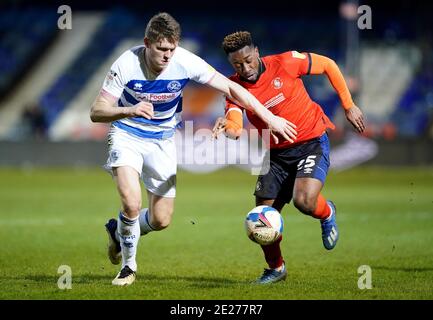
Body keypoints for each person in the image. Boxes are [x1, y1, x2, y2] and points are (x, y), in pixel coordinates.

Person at [90, 13, 297, 286]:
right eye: (161, 49)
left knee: (161, 219)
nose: (167, 56)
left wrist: (269, 118)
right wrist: (130, 110)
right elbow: (97, 112)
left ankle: (119, 232)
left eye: (171, 49)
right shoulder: (126, 64)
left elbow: (233, 89)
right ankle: (129, 267)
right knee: (131, 202)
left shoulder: (185, 61)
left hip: (163, 140)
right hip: (126, 135)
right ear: (147, 43)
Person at [212, 31, 365, 284]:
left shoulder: (285, 63)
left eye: (248, 60)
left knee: (305, 202)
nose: (245, 67)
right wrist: (227, 126)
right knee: (261, 217)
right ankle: (276, 268)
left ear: (257, 52)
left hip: (311, 142)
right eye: (237, 64)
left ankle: (326, 213)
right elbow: (236, 128)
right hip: (276, 155)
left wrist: (348, 106)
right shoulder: (234, 88)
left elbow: (328, 65)